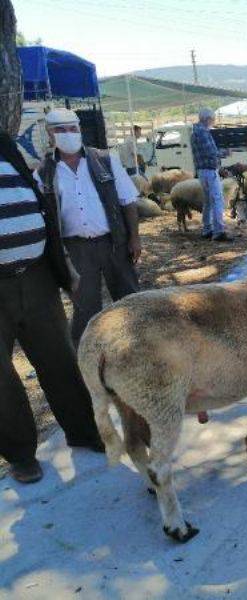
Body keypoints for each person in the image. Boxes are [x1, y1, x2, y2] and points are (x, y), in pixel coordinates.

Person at [0, 128, 105, 484]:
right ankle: (20, 454)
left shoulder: (9, 152)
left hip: (36, 276)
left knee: (60, 357)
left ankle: (84, 430)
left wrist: (65, 269)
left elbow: (43, 212)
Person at [34, 109, 141, 348]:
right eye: (60, 130)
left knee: (130, 297)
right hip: (76, 249)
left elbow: (128, 200)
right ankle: (86, 359)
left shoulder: (104, 160)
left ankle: (140, 346)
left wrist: (134, 238)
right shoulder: (44, 172)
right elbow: (42, 215)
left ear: (80, 130)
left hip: (113, 241)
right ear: (50, 135)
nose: (68, 134)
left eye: (73, 128)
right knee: (85, 306)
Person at [190, 108, 232, 242]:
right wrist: (225, 152)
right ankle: (219, 231)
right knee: (217, 200)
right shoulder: (202, 132)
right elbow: (210, 152)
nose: (213, 122)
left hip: (203, 171)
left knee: (208, 201)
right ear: (207, 119)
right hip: (209, 171)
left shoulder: (195, 132)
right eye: (213, 119)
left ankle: (207, 229)